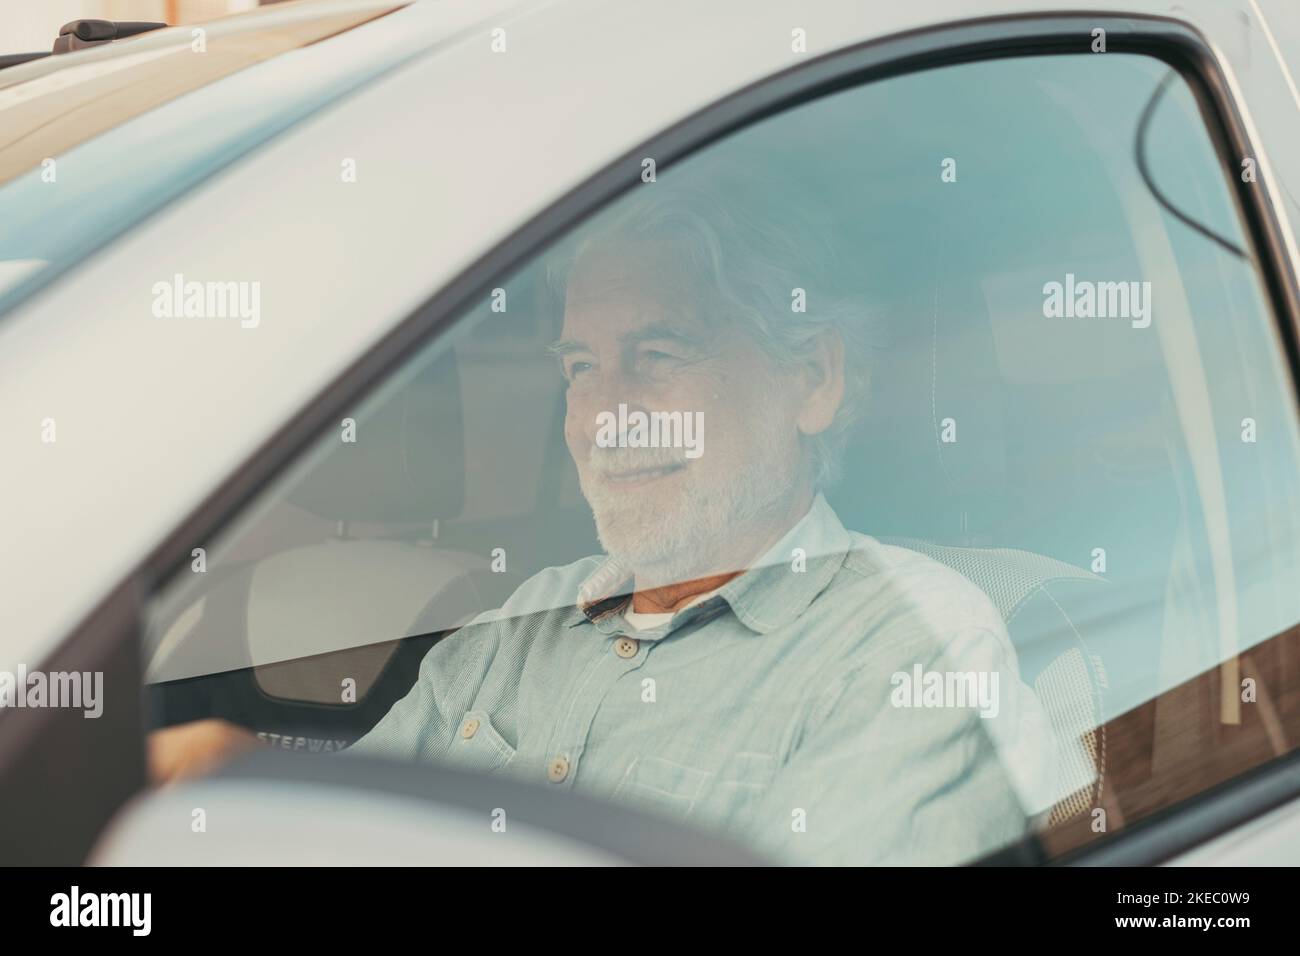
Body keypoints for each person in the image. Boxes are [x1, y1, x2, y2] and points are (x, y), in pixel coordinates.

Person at [150, 164, 1056, 865]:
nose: (601, 418)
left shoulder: (908, 644)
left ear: (811, 379)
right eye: (581, 368)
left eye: (656, 354)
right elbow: (345, 845)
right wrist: (238, 788)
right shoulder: (518, 624)